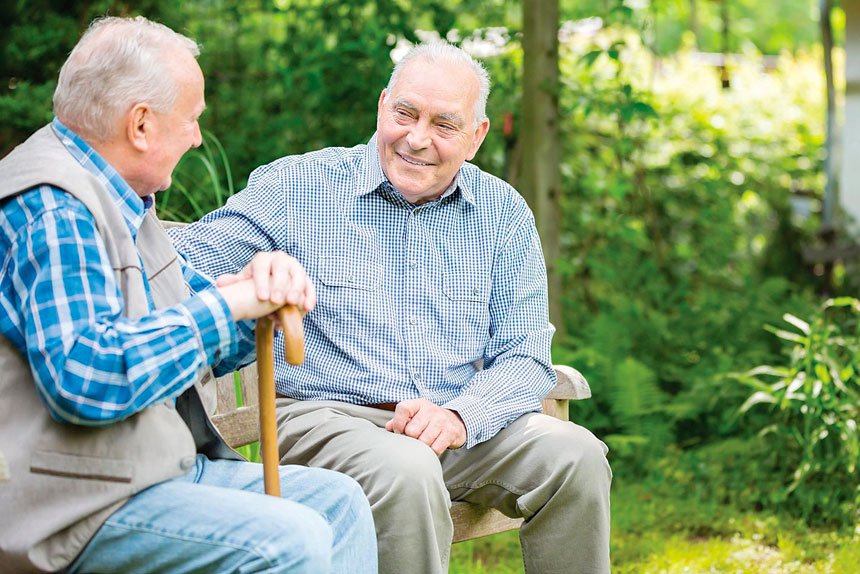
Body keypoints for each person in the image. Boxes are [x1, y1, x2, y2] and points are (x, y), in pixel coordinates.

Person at [170, 42, 611, 574]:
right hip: (323, 417)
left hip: (452, 422)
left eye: (444, 125)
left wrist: (460, 415)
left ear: (477, 137)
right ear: (382, 107)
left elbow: (525, 355)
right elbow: (182, 261)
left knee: (577, 456)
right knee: (406, 469)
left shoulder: (503, 214)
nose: (417, 138)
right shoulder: (298, 188)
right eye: (405, 113)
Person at [0, 16, 377, 574]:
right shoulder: (55, 208)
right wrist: (225, 307)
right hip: (71, 506)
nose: (198, 136)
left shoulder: (124, 199)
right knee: (288, 538)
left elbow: (194, 323)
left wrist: (260, 296)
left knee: (339, 503)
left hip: (147, 468)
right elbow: (85, 375)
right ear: (142, 125)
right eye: (192, 119)